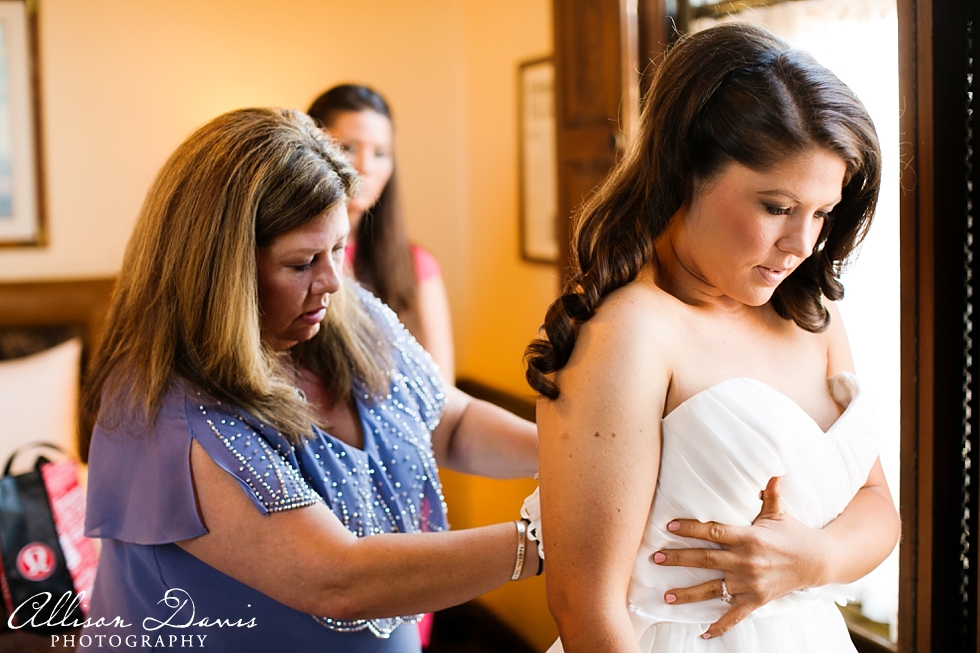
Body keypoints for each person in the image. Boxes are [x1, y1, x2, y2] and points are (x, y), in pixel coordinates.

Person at [77, 107, 540, 652]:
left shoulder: (346, 314)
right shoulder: (170, 415)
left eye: (338, 248)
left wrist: (571, 455)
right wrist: (547, 541)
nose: (332, 280)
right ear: (222, 272)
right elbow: (339, 579)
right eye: (301, 263)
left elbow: (450, 422)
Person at [521, 22, 900, 652]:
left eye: (822, 213)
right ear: (685, 169)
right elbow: (583, 606)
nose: (801, 245)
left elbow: (878, 503)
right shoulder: (630, 334)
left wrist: (813, 560)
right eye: (777, 207)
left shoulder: (813, 314)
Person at [307, 84, 455, 383]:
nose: (366, 167)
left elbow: (441, 386)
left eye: (380, 153)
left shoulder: (415, 264)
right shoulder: (289, 258)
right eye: (348, 148)